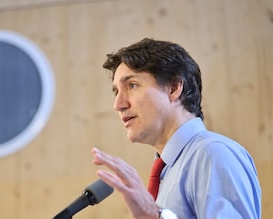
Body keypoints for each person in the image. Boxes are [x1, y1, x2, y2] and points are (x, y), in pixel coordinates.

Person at [91, 38, 261, 219]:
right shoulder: (169, 170)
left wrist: (156, 216)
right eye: (116, 91)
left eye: (132, 86)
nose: (118, 105)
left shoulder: (213, 154)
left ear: (173, 88)